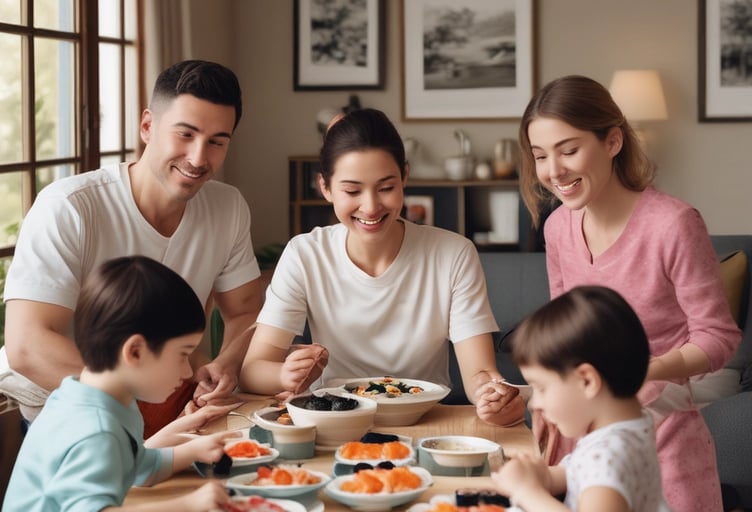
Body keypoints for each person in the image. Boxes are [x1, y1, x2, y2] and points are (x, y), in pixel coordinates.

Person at [0, 59, 263, 437]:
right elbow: (27, 346)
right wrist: (143, 399)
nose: (199, 158)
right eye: (185, 134)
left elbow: (246, 311)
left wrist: (227, 365)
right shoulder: (69, 206)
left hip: (169, 400)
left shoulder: (227, 207)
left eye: (217, 142)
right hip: (65, 402)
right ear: (148, 126)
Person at [517, 74, 741, 511]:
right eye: (540, 156)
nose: (553, 171)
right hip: (584, 437)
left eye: (568, 150)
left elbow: (718, 336)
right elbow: (564, 336)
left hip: (663, 438)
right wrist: (541, 398)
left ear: (613, 141)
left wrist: (644, 372)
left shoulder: (673, 224)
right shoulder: (558, 227)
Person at [238, 108, 525, 426]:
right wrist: (284, 374)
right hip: (335, 422)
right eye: (352, 191)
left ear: (404, 176)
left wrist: (494, 397)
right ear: (325, 188)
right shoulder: (305, 254)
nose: (371, 207)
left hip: (425, 422)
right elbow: (252, 370)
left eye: (386, 188)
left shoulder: (453, 254)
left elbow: (480, 373)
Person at [2, 256, 236, 511]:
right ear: (135, 351)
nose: (189, 371)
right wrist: (188, 504)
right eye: (182, 355)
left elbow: (138, 466)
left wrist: (193, 451)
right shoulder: (96, 430)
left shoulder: (93, 399)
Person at [491, 286, 671, 512]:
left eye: (542, 388)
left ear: (586, 381)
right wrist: (541, 476)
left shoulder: (608, 456)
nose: (534, 403)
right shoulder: (628, 427)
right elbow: (577, 471)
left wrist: (526, 492)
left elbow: (598, 471)